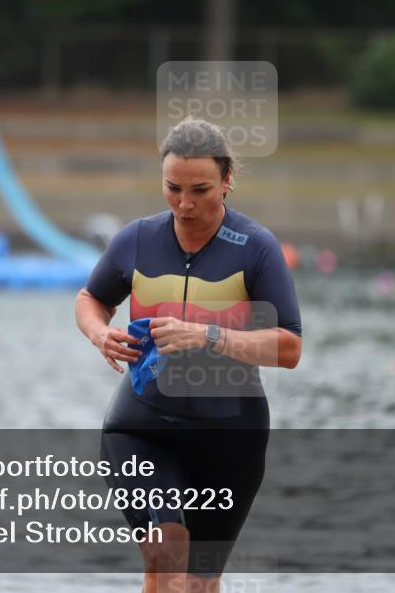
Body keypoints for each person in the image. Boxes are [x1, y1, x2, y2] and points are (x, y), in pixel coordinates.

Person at [75, 117, 302, 592]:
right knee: (165, 554)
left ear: (227, 181)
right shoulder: (137, 239)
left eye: (200, 189)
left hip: (229, 434)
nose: (184, 203)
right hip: (142, 427)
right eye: (172, 188)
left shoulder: (256, 248)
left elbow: (289, 347)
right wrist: (100, 334)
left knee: (199, 582)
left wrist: (208, 336)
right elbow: (90, 298)